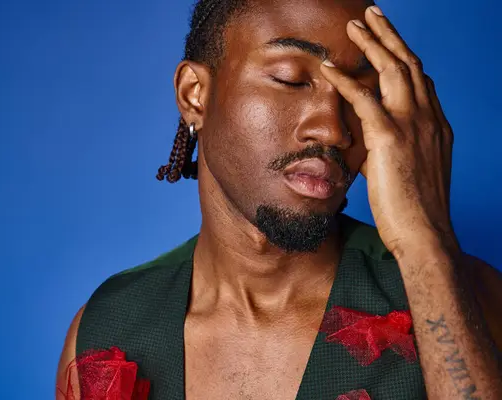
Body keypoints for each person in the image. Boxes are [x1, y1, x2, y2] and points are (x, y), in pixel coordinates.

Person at [56, 0, 502, 399]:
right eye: (291, 80)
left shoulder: (465, 298)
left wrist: (426, 240)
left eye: (358, 94)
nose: (333, 129)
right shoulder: (106, 329)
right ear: (195, 94)